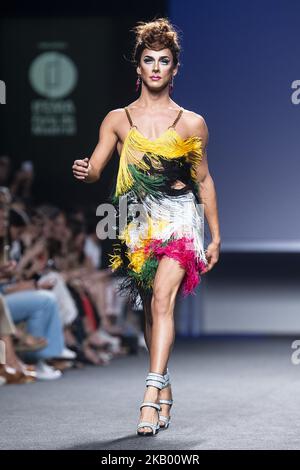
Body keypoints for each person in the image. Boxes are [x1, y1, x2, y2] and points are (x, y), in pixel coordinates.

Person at [72, 17, 221, 436]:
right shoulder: (117, 119)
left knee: (162, 301)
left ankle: (149, 398)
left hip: (178, 217)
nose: (156, 67)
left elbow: (204, 179)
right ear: (138, 68)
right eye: (149, 60)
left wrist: (215, 233)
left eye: (165, 61)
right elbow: (98, 167)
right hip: (135, 220)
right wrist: (85, 171)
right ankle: (167, 383)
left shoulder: (192, 123)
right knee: (149, 314)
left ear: (175, 70)